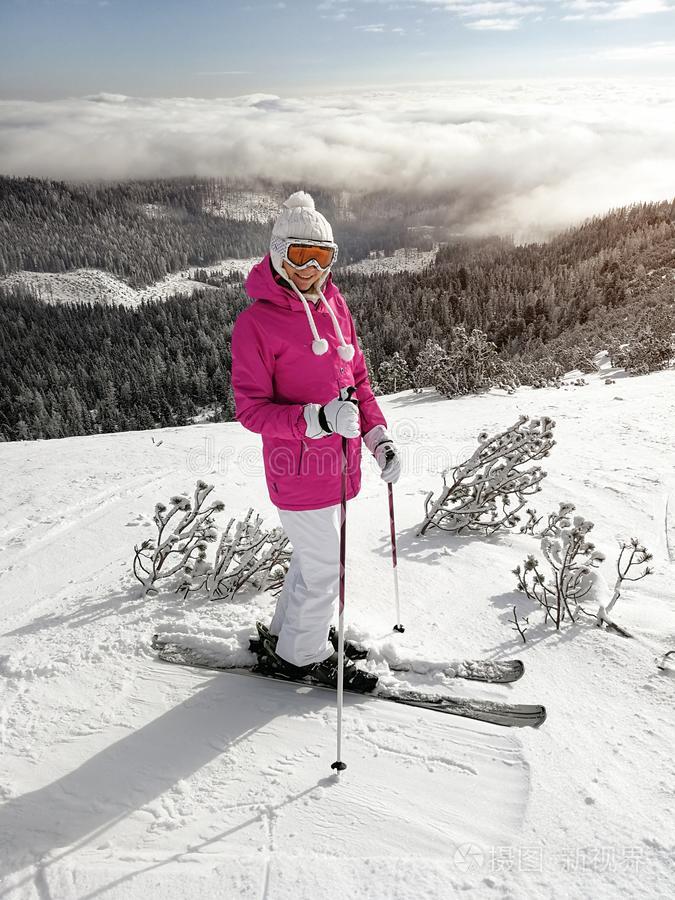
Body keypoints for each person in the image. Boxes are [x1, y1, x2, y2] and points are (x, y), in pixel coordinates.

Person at [230, 191, 400, 688]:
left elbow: (358, 382)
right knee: (327, 568)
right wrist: (318, 420)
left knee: (313, 560)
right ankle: (302, 656)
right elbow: (251, 410)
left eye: (321, 256)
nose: (310, 268)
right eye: (299, 256)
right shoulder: (256, 324)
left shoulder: (333, 304)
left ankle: (293, 633)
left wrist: (378, 438)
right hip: (296, 471)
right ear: (278, 254)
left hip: (340, 467)